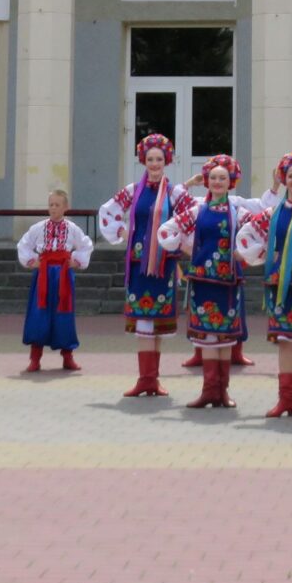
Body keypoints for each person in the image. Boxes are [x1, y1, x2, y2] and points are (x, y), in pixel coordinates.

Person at [157, 154, 271, 410]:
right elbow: (166, 230)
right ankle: (209, 391)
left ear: (230, 182)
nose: (218, 182)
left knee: (226, 336)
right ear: (207, 181)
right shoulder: (197, 210)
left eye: (223, 178)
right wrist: (187, 248)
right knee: (207, 335)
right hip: (203, 280)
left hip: (228, 281)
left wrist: (245, 254)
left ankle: (222, 392)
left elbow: (261, 232)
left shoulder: (239, 212)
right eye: (213, 178)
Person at [97, 133, 193, 398]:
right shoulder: (133, 190)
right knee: (143, 321)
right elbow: (108, 211)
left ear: (166, 161)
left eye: (159, 159)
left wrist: (178, 239)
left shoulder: (175, 192)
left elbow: (192, 216)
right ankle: (145, 379)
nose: (154, 164)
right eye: (150, 159)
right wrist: (122, 231)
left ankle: (153, 379)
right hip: (139, 264)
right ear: (144, 161)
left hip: (163, 264)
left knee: (157, 321)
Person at [238, 151, 292, 417]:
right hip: (281, 286)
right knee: (286, 341)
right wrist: (264, 254)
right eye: (291, 176)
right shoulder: (272, 213)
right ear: (284, 180)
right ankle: (286, 399)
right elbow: (246, 237)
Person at [17, 187, 93, 374]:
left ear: (65, 207)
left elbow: (86, 245)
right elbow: (23, 244)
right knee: (38, 313)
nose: (53, 208)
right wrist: (31, 261)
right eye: (51, 204)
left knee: (64, 313)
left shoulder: (72, 229)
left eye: (57, 205)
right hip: (43, 274)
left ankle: (68, 357)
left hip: (63, 275)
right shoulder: (38, 228)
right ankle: (35, 358)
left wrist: (77, 261)